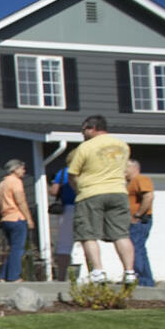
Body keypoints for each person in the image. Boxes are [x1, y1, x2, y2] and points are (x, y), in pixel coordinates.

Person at [65, 115, 136, 285]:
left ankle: (98, 272)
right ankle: (129, 272)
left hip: (91, 193)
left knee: (88, 234)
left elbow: (72, 174)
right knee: (121, 234)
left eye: (83, 130)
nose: (82, 133)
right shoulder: (123, 146)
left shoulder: (85, 147)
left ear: (92, 128)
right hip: (118, 192)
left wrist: (78, 189)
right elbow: (127, 171)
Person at [0, 159, 35, 282]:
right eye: (22, 168)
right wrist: (29, 218)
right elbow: (20, 201)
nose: (24, 171)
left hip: (5, 218)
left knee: (13, 249)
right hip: (16, 217)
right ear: (14, 169)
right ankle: (14, 276)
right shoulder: (16, 182)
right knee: (18, 248)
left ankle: (4, 275)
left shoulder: (2, 184)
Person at [125, 159, 155, 287]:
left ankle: (141, 279)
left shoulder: (141, 179)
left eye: (126, 167)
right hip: (134, 221)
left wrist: (138, 215)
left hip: (139, 221)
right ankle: (145, 280)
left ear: (134, 168)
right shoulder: (129, 183)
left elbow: (149, 196)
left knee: (135, 249)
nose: (123, 170)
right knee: (138, 249)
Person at [49, 167, 77, 280]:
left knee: (64, 245)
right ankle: (95, 272)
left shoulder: (63, 172)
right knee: (89, 241)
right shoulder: (89, 169)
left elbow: (54, 191)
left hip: (68, 208)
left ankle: (61, 277)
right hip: (87, 206)